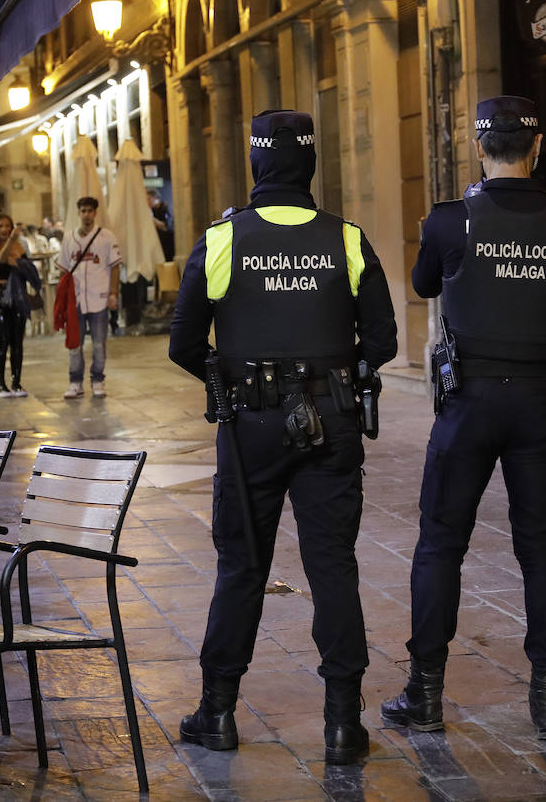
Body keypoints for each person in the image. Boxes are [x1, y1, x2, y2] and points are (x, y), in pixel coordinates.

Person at [169, 110, 398, 765]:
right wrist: (336, 372)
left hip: (250, 427)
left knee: (241, 568)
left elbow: (184, 342)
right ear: (310, 163)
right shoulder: (347, 240)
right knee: (333, 568)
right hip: (332, 423)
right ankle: (341, 727)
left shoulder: (222, 241)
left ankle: (216, 713)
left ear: (256, 163)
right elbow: (382, 340)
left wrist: (230, 378)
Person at [381, 95, 546, 741]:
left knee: (440, 544)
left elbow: (425, 284)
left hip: (470, 401)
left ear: (480, 148)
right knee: (539, 546)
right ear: (537, 149)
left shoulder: (451, 220)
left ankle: (425, 697)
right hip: (542, 400)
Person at [57, 196, 121, 398]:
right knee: (75, 343)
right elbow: (63, 270)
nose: (86, 215)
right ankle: (75, 381)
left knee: (99, 343)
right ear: (79, 213)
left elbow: (115, 266)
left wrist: (113, 293)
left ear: (95, 213)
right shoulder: (69, 238)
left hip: (99, 299)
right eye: (83, 211)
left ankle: (98, 380)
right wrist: (62, 298)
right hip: (75, 300)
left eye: (90, 211)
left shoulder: (106, 237)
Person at [0, 212, 29, 396]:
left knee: (17, 341)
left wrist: (17, 260)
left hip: (18, 296)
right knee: (2, 340)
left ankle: (16, 383)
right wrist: (12, 244)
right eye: (0, 226)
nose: (4, 230)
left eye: (7, 226)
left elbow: (26, 267)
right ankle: (0, 384)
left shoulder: (19, 246)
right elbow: (1, 259)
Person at [147, 188, 176, 261]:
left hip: (168, 242)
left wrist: (152, 219)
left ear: (155, 198)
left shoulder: (165, 207)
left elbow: (166, 226)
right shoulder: (152, 210)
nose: (147, 202)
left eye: (149, 199)